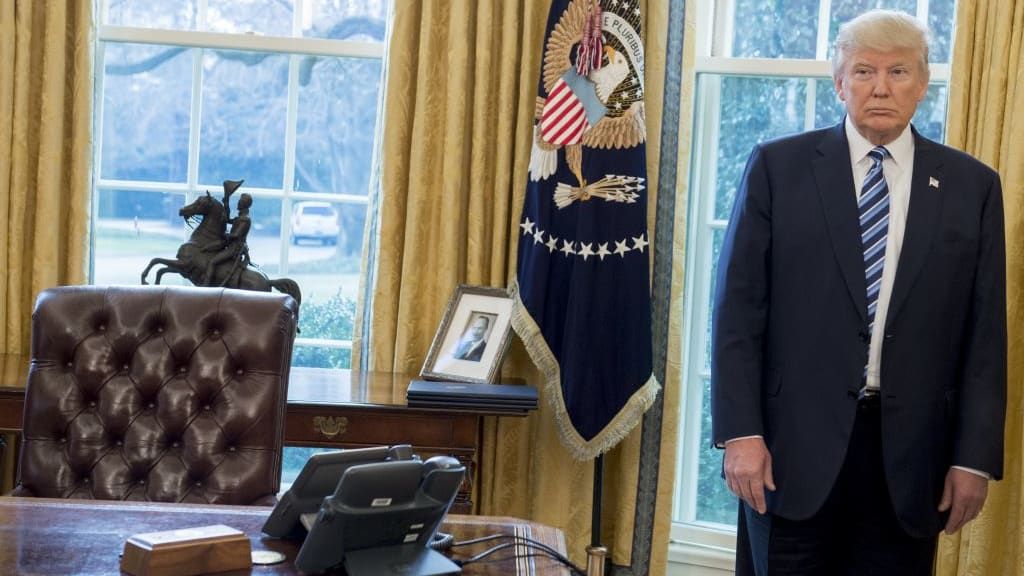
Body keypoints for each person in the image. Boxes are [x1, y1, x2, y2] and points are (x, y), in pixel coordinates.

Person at [711, 9, 1006, 575]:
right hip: (787, 453)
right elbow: (736, 314)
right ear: (839, 83)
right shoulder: (779, 167)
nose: (880, 88)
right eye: (864, 71)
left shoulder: (973, 187)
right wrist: (740, 433)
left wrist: (973, 459)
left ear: (922, 85)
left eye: (898, 72)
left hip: (911, 461)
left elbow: (984, 338)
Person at [202, 192, 253, 286]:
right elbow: (228, 219)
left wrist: (225, 235)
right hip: (230, 245)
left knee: (212, 262)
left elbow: (236, 235)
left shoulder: (245, 219)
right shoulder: (240, 217)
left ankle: (205, 287)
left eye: (240, 201)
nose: (238, 203)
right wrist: (226, 202)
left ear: (244, 204)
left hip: (234, 248)